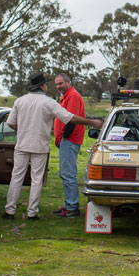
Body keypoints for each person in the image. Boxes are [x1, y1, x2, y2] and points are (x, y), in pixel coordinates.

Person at [3, 73, 103, 220]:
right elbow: (70, 118)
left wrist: (24, 130)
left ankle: (9, 211)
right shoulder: (48, 102)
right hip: (40, 146)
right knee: (36, 179)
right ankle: (32, 212)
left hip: (22, 144)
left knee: (16, 177)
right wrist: (92, 122)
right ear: (43, 86)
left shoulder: (19, 101)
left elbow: (10, 123)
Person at [52, 73, 86, 218]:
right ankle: (68, 204)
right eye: (56, 84)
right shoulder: (66, 96)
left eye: (60, 83)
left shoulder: (72, 95)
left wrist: (64, 137)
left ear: (68, 82)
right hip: (66, 140)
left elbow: (71, 119)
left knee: (68, 174)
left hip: (70, 140)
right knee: (65, 173)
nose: (58, 86)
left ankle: (72, 207)